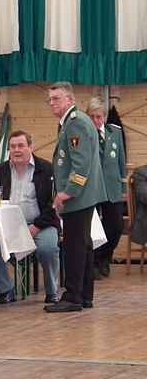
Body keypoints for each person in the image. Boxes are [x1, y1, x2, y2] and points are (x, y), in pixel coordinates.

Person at [45, 82, 105, 313]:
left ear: (70, 100)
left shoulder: (76, 123)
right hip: (83, 196)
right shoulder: (72, 122)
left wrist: (67, 192)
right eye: (50, 100)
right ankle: (84, 295)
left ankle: (73, 296)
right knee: (84, 246)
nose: (52, 103)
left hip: (77, 197)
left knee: (74, 247)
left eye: (56, 99)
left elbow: (81, 165)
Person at [0, 130, 61, 304]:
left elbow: (53, 206)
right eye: (12, 146)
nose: (16, 150)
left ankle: (52, 291)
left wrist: (35, 227)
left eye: (21, 145)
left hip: (41, 225)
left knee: (48, 248)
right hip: (8, 227)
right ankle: (6, 290)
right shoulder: (0, 171)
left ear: (30, 147)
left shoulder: (46, 169)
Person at [86, 97, 127, 279]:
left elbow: (121, 161)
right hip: (92, 189)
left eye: (98, 117)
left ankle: (103, 257)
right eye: (92, 117)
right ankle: (95, 262)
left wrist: (123, 187)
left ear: (104, 117)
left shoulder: (115, 132)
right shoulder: (85, 135)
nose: (95, 121)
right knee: (93, 227)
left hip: (112, 187)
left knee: (116, 226)